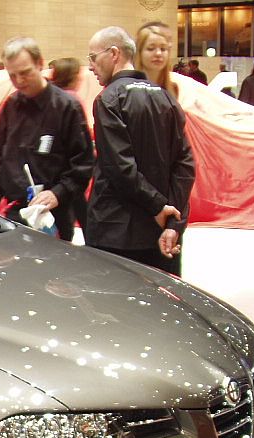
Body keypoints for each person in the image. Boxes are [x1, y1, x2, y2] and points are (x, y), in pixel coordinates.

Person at [86, 26, 195, 276]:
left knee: (115, 310)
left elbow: (120, 167)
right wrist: (173, 221)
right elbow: (185, 164)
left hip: (116, 232)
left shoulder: (109, 99)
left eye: (93, 57)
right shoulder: (167, 98)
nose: (91, 66)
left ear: (114, 53)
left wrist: (158, 207)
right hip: (161, 233)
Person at [0, 38, 94, 242]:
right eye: (12, 75)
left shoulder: (66, 107)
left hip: (55, 215)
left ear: (40, 64)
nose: (19, 81)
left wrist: (57, 193)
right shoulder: (10, 106)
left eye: (25, 73)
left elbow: (83, 163)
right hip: (17, 213)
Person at [136, 21, 178, 98]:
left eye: (163, 49)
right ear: (139, 52)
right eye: (151, 48)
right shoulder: (126, 90)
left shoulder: (175, 89)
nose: (158, 53)